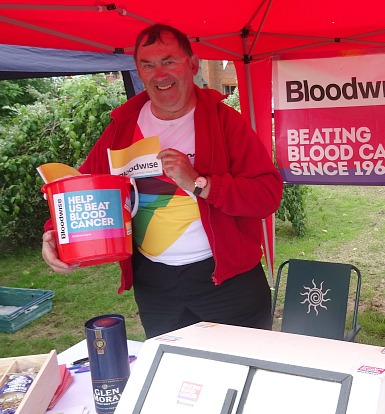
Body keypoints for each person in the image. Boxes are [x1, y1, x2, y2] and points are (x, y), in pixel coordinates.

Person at [41, 24, 283, 338]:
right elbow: (81, 188)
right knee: (173, 381)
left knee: (243, 378)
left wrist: (199, 182)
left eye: (169, 61)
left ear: (193, 65)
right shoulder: (123, 126)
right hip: (156, 287)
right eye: (148, 64)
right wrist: (57, 238)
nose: (160, 74)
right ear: (138, 71)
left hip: (227, 283)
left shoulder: (223, 122)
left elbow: (267, 195)